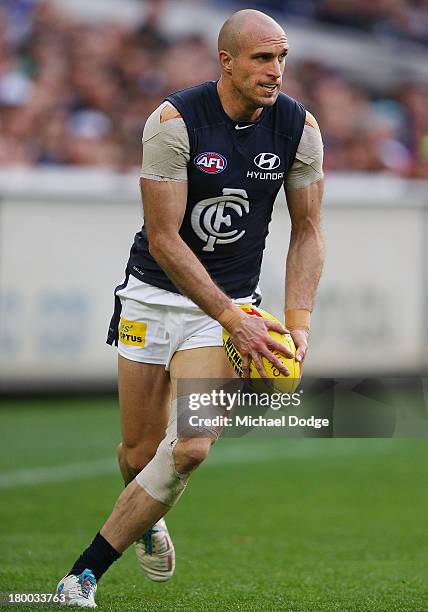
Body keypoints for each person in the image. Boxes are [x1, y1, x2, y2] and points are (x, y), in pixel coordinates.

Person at [56, 8, 324, 607]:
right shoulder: (172, 122)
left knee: (192, 447)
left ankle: (82, 575)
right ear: (226, 62)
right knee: (138, 453)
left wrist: (295, 323)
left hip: (225, 311)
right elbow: (164, 239)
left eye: (281, 58)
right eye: (262, 58)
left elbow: (308, 231)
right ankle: (144, 515)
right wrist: (234, 319)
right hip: (151, 297)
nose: (276, 70)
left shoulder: (298, 128)